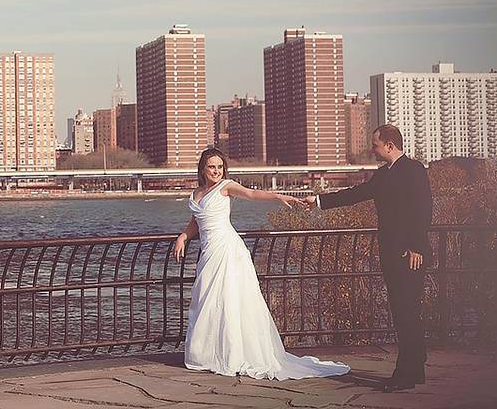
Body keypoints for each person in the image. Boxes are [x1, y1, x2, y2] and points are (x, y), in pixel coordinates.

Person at [173, 147, 350, 380]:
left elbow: (252, 194)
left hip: (227, 249)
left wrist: (278, 197)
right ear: (203, 169)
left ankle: (232, 355)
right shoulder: (196, 192)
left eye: (219, 167)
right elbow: (196, 220)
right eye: (211, 167)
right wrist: (183, 236)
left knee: (229, 301)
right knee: (207, 298)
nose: (216, 171)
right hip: (209, 252)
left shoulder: (226, 186)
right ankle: (208, 355)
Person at [304, 124, 432, 392]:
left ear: (389, 145)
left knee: (408, 311)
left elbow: (423, 210)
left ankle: (405, 374)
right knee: (402, 311)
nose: (371, 150)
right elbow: (355, 195)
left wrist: (416, 247)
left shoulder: (414, 170)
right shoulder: (383, 175)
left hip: (411, 254)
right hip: (391, 253)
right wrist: (319, 202)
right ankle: (416, 366)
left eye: (375, 145)